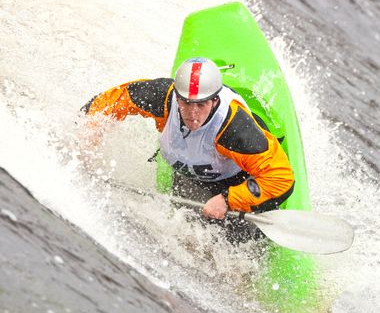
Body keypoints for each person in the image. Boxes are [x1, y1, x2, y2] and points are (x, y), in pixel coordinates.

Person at [81, 57, 295, 243]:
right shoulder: (161, 97)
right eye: (185, 103)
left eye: (201, 105)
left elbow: (281, 179)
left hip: (238, 179)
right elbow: (108, 102)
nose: (192, 114)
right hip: (190, 174)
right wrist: (88, 139)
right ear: (177, 96)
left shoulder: (236, 130)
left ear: (214, 100)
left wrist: (228, 200)